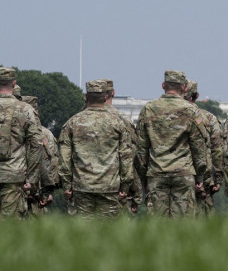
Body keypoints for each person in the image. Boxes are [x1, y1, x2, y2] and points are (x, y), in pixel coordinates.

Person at [136, 70, 209, 217]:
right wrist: (200, 176)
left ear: (163, 85)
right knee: (183, 223)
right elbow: (198, 146)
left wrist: (143, 177)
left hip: (156, 173)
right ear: (184, 88)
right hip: (183, 174)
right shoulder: (192, 110)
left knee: (157, 223)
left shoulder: (148, 109)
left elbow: (141, 148)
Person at [59, 80, 134, 219]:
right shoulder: (118, 123)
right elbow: (126, 156)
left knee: (82, 230)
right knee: (109, 229)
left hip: (82, 187)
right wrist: (125, 186)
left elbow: (65, 159)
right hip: (109, 187)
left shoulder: (72, 123)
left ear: (86, 97)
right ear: (106, 97)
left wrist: (66, 185)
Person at [0, 67, 42, 218]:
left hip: (13, 175)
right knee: (9, 224)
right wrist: (32, 178)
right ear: (14, 84)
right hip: (14, 175)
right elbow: (36, 144)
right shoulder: (25, 109)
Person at [102, 79, 144, 214]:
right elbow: (131, 156)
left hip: (85, 187)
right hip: (117, 188)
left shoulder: (77, 121)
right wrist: (136, 193)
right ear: (112, 93)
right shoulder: (123, 120)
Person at [184, 80, 224, 215]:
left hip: (172, 174)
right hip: (203, 176)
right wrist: (218, 178)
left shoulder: (167, 116)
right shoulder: (208, 118)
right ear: (196, 96)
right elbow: (217, 149)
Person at [21, 96, 58, 215]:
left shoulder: (15, 131)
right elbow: (51, 162)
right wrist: (49, 191)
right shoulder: (45, 134)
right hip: (36, 191)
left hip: (18, 187)